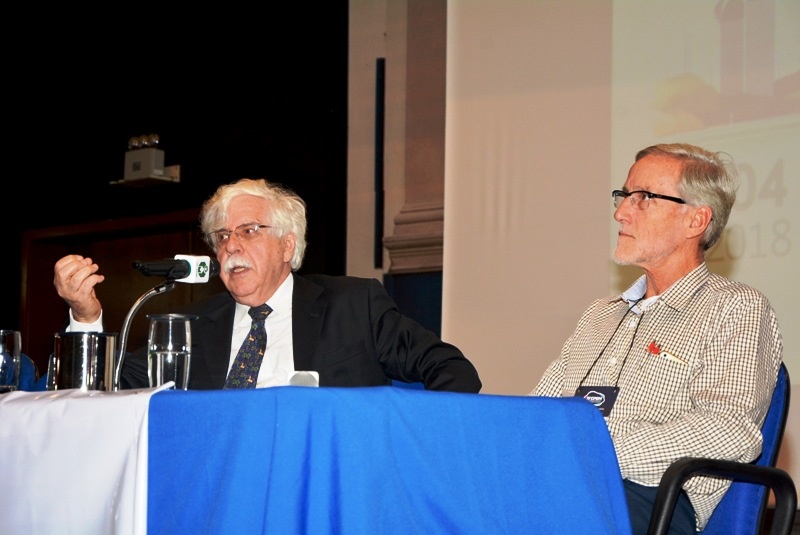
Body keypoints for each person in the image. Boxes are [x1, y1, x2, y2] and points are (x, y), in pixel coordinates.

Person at [530, 143, 782, 534]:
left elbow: (729, 429)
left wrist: (594, 448)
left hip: (651, 501)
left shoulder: (735, 308)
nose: (620, 212)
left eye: (643, 198)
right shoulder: (599, 315)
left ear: (695, 221)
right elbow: (538, 413)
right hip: (558, 484)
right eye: (624, 196)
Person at [54, 178, 482, 393]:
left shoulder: (353, 305)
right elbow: (102, 384)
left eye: (249, 231)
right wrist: (86, 316)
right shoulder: (192, 324)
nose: (231, 246)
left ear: (287, 244)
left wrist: (406, 447)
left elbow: (453, 371)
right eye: (222, 236)